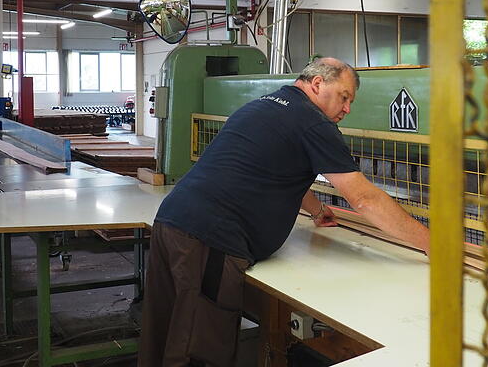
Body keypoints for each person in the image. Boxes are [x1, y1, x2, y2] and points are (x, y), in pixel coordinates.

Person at [138, 57, 430, 367]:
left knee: (163, 330)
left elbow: (279, 167)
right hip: (210, 241)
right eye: (344, 97)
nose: (347, 109)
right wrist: (432, 243)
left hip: (172, 223)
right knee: (197, 347)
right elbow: (364, 199)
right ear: (317, 84)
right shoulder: (314, 123)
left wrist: (317, 211)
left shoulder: (262, 106)